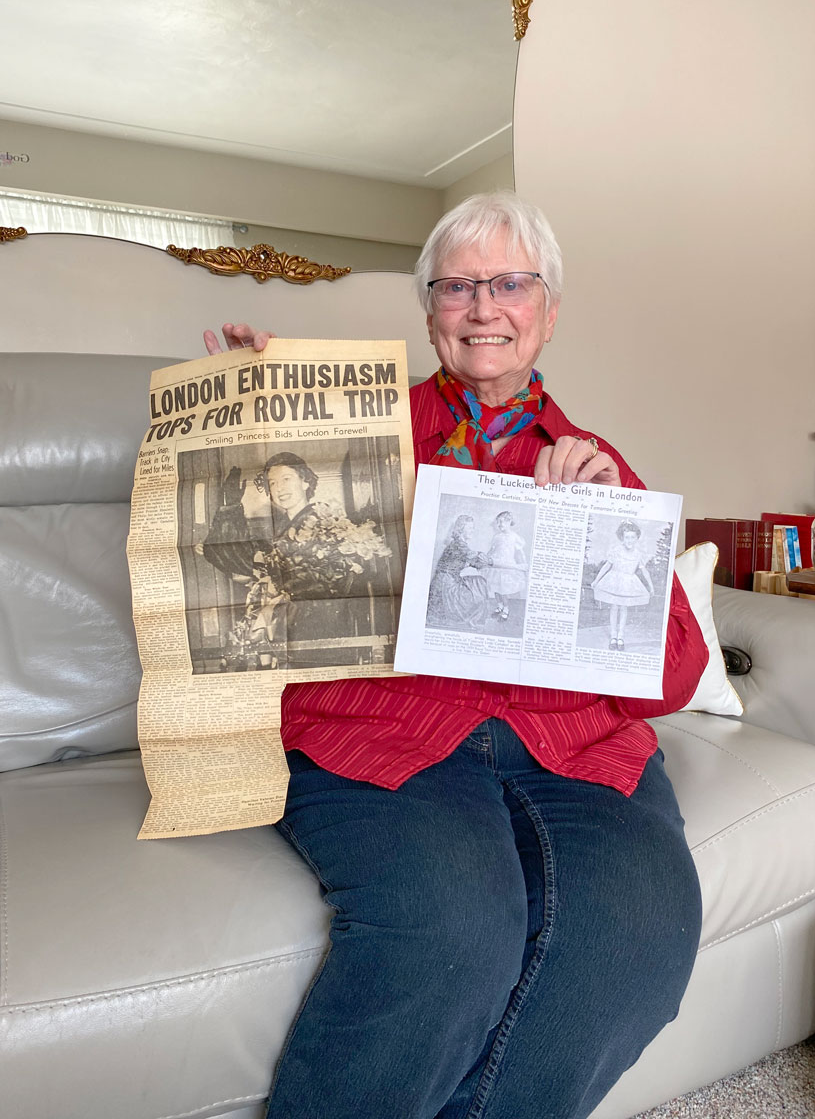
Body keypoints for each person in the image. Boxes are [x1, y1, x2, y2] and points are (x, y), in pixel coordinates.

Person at [203, 191, 708, 1119]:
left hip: (572, 747)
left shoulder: (592, 461)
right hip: (388, 732)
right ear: (430, 310)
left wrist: (606, 527)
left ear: (548, 311)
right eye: (457, 287)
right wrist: (256, 427)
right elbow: (254, 588)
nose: (484, 308)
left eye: (511, 284)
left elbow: (673, 675)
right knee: (454, 931)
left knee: (638, 938)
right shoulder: (357, 433)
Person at [200, 451, 391, 668]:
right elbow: (250, 560)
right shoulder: (287, 528)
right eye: (272, 483)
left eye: (286, 479)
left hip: (322, 629)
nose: (279, 488)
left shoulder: (320, 520)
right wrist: (230, 510)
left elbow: (315, 581)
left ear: (305, 481)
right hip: (298, 627)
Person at [590, 519, 655, 652]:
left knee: (624, 608)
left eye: (632, 537)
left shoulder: (638, 554)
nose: (629, 540)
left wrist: (651, 586)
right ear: (622, 538)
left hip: (628, 583)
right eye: (627, 537)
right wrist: (596, 580)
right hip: (615, 580)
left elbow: (644, 571)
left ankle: (621, 636)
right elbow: (607, 566)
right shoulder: (616, 551)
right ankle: (613, 636)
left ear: (636, 538)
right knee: (614, 607)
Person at [427, 513, 491, 629]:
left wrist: (485, 563)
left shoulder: (459, 544)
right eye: (470, 528)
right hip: (445, 586)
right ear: (461, 529)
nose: (472, 530)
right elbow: (475, 557)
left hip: (450, 581)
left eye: (473, 527)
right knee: (478, 588)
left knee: (478, 582)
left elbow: (475, 563)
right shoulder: (459, 545)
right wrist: (490, 561)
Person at [484, 509, 528, 620]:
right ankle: (499, 606)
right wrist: (486, 558)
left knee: (503, 590)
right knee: (495, 588)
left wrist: (523, 563)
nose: (499, 524)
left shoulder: (514, 537)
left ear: (509, 522)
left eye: (501, 521)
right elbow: (492, 550)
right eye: (497, 522)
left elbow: (520, 552)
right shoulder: (497, 537)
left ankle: (506, 609)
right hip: (496, 565)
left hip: (507, 566)